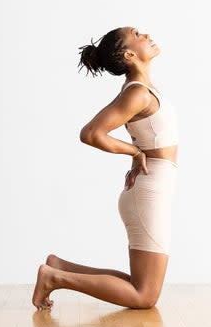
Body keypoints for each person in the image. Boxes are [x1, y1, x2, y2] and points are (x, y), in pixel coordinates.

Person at [32, 26, 179, 310]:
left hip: (153, 188)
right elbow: (91, 133)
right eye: (137, 35)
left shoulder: (142, 90)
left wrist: (137, 153)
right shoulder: (137, 93)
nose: (146, 35)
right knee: (144, 296)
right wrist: (135, 151)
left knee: (139, 285)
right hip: (150, 191)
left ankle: (59, 267)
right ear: (129, 54)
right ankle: (53, 278)